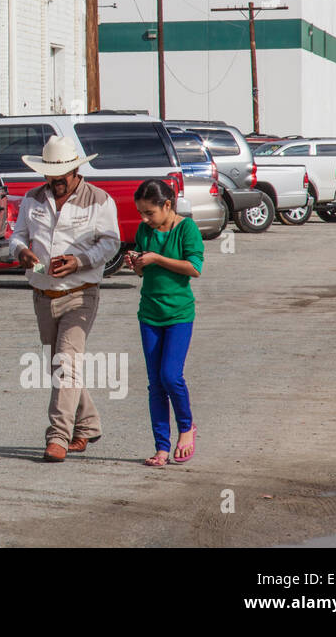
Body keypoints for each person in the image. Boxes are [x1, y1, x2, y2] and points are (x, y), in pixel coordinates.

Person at [8, 135, 121, 463]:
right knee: (60, 366)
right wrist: (22, 251)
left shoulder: (99, 200)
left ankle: (58, 435)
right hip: (43, 294)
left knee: (65, 364)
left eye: (60, 179)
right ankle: (87, 423)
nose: (54, 184)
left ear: (75, 172)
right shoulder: (32, 199)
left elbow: (111, 243)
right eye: (49, 178)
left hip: (80, 295)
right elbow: (17, 236)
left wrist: (79, 261)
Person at [125, 178, 204, 467]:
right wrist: (136, 263)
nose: (144, 219)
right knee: (155, 384)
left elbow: (194, 268)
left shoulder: (187, 229)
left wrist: (156, 258)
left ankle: (186, 427)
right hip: (149, 314)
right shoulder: (145, 230)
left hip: (179, 315)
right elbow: (143, 272)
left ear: (167, 205)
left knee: (171, 376)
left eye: (149, 212)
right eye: (141, 213)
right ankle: (161, 447)